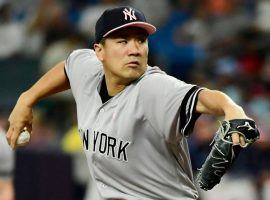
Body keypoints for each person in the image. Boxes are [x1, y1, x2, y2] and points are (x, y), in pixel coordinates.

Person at [7, 6, 253, 199]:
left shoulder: (153, 87)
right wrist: (26, 99)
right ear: (99, 52)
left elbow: (203, 97)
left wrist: (232, 108)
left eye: (140, 40)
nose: (134, 49)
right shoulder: (88, 69)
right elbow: (69, 67)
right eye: (122, 41)